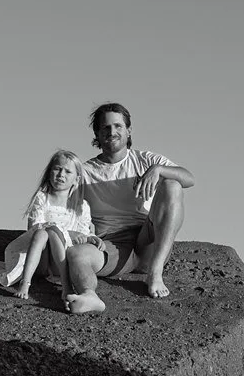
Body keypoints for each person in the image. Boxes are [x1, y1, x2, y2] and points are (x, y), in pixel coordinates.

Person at [64, 102, 194, 313]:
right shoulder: (84, 172)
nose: (112, 132)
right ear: (97, 133)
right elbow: (62, 205)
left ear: (129, 130)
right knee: (77, 255)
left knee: (172, 184)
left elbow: (189, 178)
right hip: (111, 244)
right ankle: (89, 295)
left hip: (147, 239)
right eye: (106, 127)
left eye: (118, 126)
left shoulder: (146, 160)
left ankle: (155, 273)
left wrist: (158, 170)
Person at [0, 150, 103, 306]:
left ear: (76, 179)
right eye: (57, 169)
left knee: (52, 231)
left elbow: (83, 234)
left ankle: (66, 285)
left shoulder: (81, 206)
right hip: (41, 260)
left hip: (61, 262)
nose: (61, 174)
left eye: (68, 171)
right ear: (50, 172)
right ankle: (25, 282)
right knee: (44, 232)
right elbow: (34, 227)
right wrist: (64, 232)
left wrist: (91, 238)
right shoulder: (42, 198)